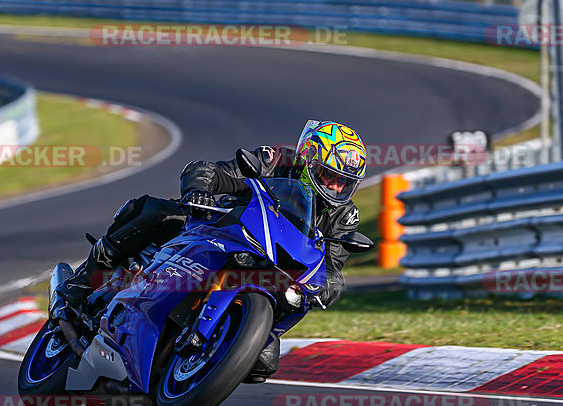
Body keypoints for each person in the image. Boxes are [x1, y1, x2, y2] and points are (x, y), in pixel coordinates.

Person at [56, 120, 367, 382]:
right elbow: (208, 171)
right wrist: (199, 193)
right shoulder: (276, 162)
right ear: (309, 160)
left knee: (262, 364)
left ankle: (210, 351)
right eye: (330, 177)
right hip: (224, 229)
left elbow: (332, 268)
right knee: (155, 212)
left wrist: (329, 288)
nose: (336, 188)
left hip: (276, 272)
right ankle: (85, 280)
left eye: (344, 183)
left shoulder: (343, 216)